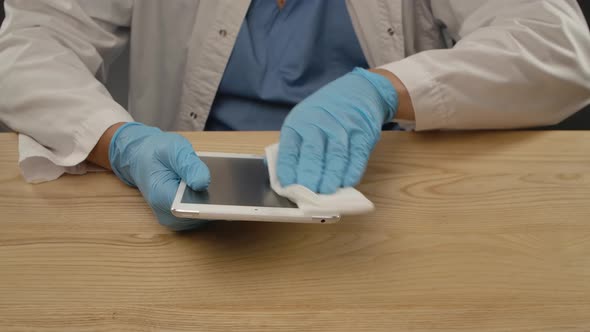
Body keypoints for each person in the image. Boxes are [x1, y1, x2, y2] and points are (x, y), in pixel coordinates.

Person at [0, 0, 589, 230]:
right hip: (183, 204)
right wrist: (118, 142)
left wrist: (384, 89)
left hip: (390, 208)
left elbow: (556, 45)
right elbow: (35, 37)